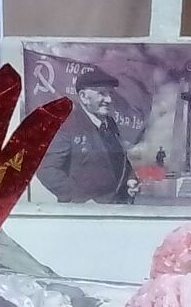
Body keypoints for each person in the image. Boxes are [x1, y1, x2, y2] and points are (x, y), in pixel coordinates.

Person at [37, 67, 136, 204]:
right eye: (102, 93)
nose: (109, 99)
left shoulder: (110, 123)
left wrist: (130, 179)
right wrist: (80, 200)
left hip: (115, 207)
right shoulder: (67, 125)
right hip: (84, 213)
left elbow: (119, 159)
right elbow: (47, 169)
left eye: (110, 93)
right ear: (84, 97)